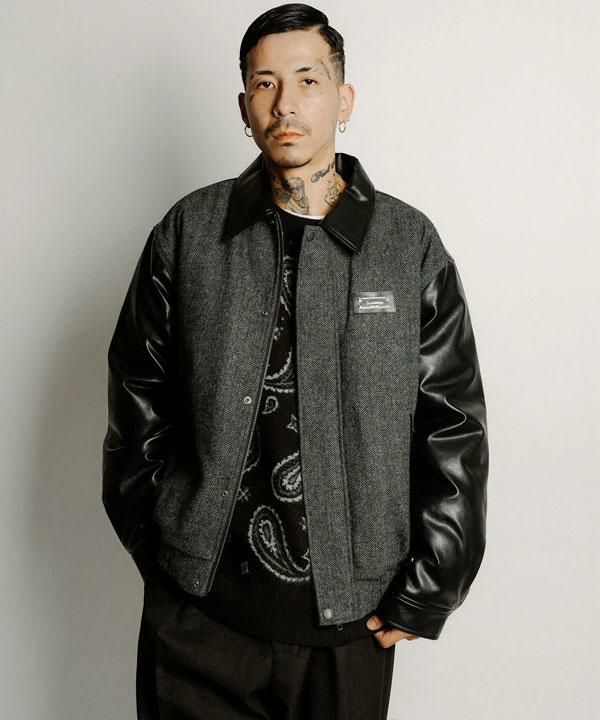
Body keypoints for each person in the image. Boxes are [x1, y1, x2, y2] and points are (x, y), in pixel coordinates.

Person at [101, 3, 489, 719]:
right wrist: (162, 553)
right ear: (244, 106)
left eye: (308, 80)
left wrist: (432, 584)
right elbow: (136, 398)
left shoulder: (408, 245)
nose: (286, 102)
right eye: (265, 83)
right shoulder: (188, 232)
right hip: (198, 621)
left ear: (344, 99)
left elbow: (452, 422)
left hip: (350, 626)